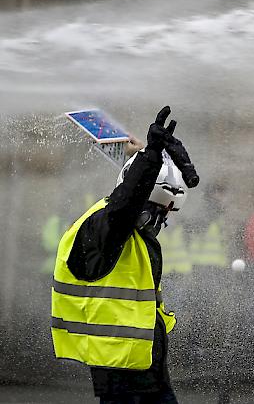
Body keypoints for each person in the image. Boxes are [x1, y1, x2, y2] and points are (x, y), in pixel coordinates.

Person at [51, 106, 198, 404]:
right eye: (157, 213)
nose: (159, 223)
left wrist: (143, 155)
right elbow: (127, 202)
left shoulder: (128, 232)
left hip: (147, 369)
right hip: (121, 375)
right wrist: (150, 156)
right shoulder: (105, 225)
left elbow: (132, 192)